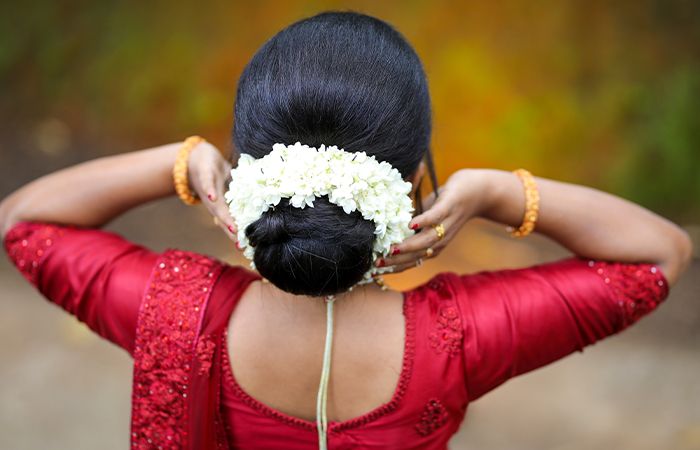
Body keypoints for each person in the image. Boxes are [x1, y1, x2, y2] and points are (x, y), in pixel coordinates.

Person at [0, 11, 693, 450]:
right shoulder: (454, 340)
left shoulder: (171, 309)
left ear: (247, 175)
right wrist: (499, 192)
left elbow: (25, 223)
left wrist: (176, 164)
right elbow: (658, 255)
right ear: (414, 175)